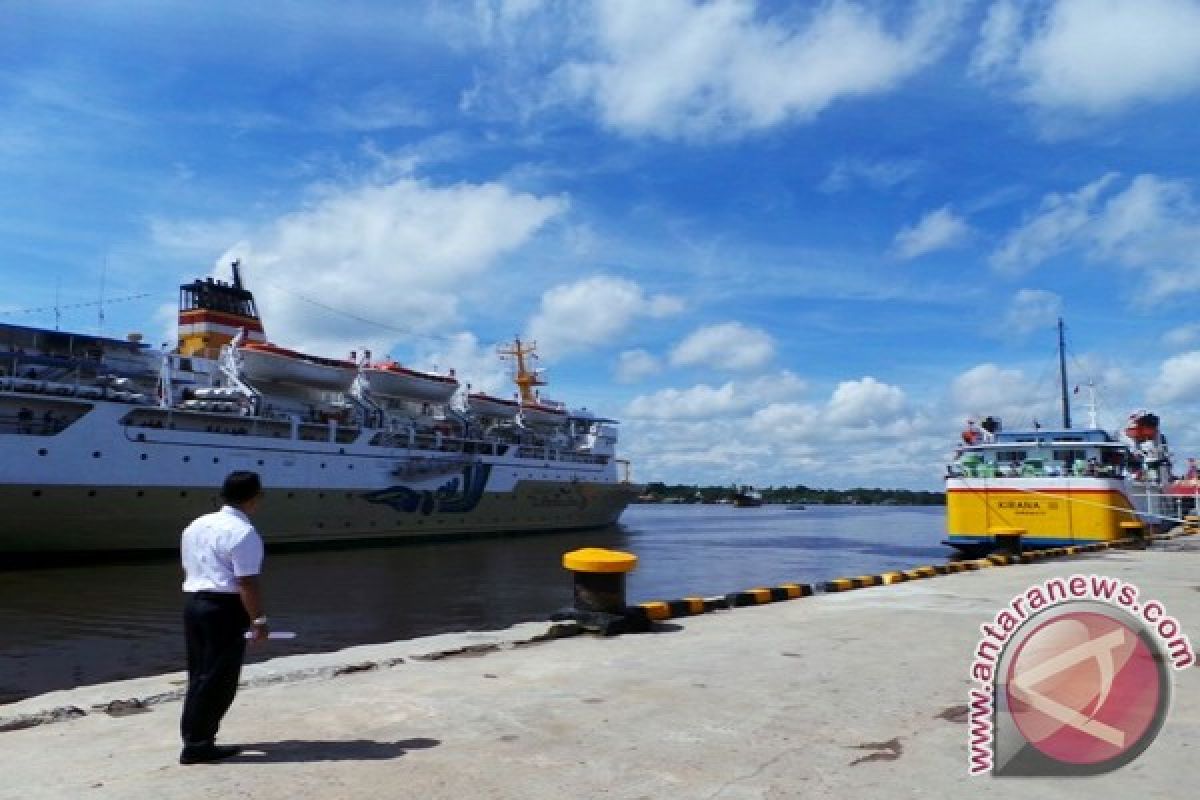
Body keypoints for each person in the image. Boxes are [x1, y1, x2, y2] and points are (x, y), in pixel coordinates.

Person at [178, 471, 270, 765]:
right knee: (219, 679)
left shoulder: (196, 525)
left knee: (200, 675)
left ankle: (195, 738)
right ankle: (198, 745)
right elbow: (247, 583)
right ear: (254, 498)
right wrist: (258, 620)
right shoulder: (243, 532)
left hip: (195, 605)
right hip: (224, 609)